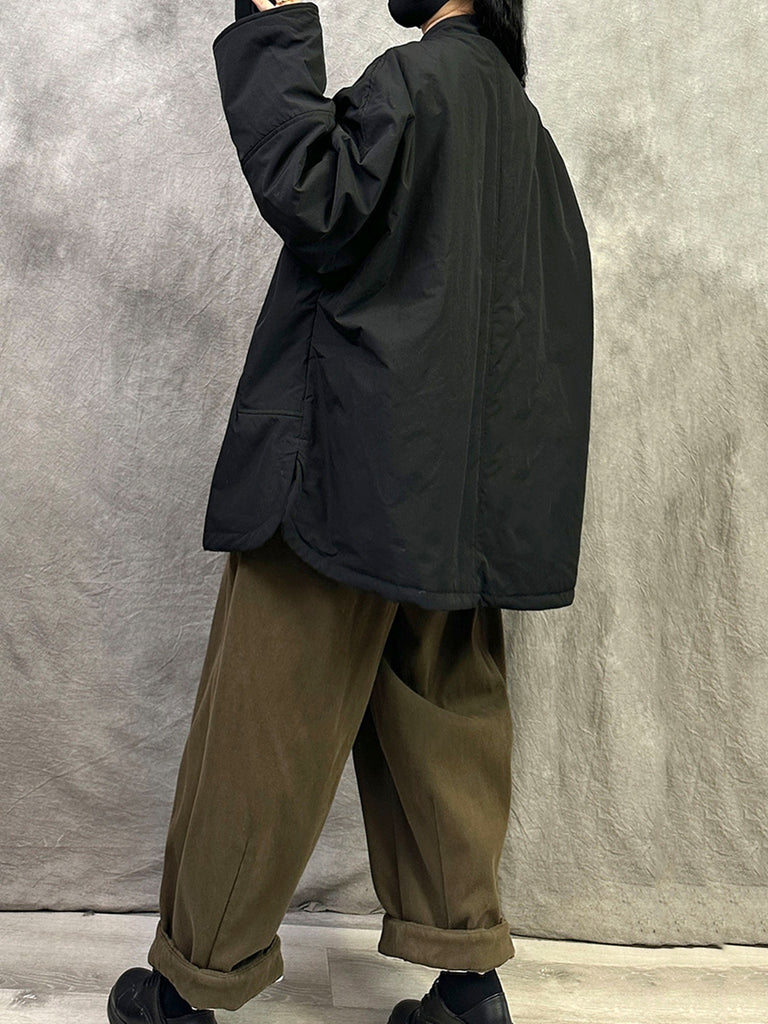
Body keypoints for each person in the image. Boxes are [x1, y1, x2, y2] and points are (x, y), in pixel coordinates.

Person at [107, 0, 593, 1022]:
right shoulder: (529, 134)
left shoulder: (418, 83)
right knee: (447, 731)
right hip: (461, 511)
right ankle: (468, 984)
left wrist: (275, 25)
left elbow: (313, 191)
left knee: (265, 727)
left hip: (347, 472)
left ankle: (187, 991)